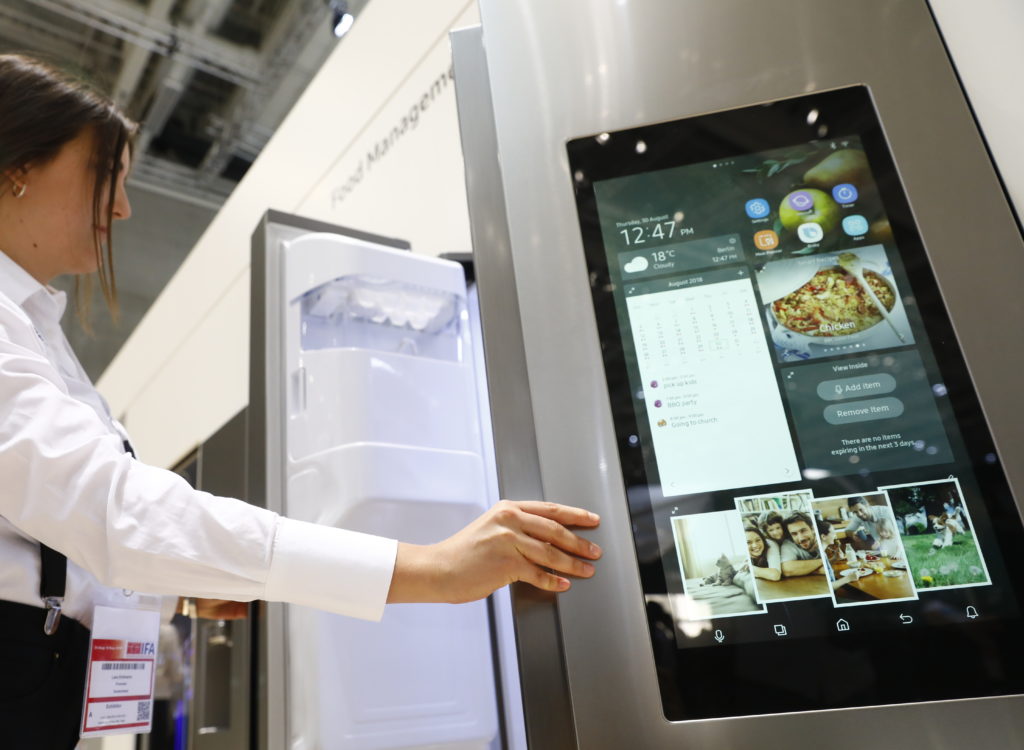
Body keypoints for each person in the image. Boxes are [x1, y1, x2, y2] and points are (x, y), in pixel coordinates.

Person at [0, 54, 602, 748]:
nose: (123, 208)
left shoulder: (36, 327)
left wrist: (176, 592)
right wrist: (432, 569)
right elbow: (112, 510)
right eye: (107, 177)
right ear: (18, 166)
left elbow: (57, 533)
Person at [816, 519, 860, 591]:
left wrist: (834, 558)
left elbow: (823, 566)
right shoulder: (818, 555)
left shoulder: (821, 552)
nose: (835, 536)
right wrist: (848, 578)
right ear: (823, 536)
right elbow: (826, 587)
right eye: (833, 533)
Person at [780, 512, 825, 577]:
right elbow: (787, 569)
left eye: (803, 531)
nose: (801, 538)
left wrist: (804, 570)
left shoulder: (823, 537)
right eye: (794, 534)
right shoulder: (789, 544)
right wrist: (823, 562)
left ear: (812, 529)